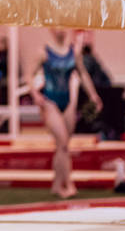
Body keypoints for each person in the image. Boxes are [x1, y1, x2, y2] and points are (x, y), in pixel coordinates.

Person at [34, 28, 101, 200]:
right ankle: (68, 183)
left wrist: (93, 95)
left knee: (63, 146)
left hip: (67, 100)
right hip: (51, 101)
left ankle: (57, 183)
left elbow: (83, 73)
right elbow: (29, 75)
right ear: (50, 30)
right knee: (63, 142)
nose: (60, 30)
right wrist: (35, 94)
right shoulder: (43, 51)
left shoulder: (74, 52)